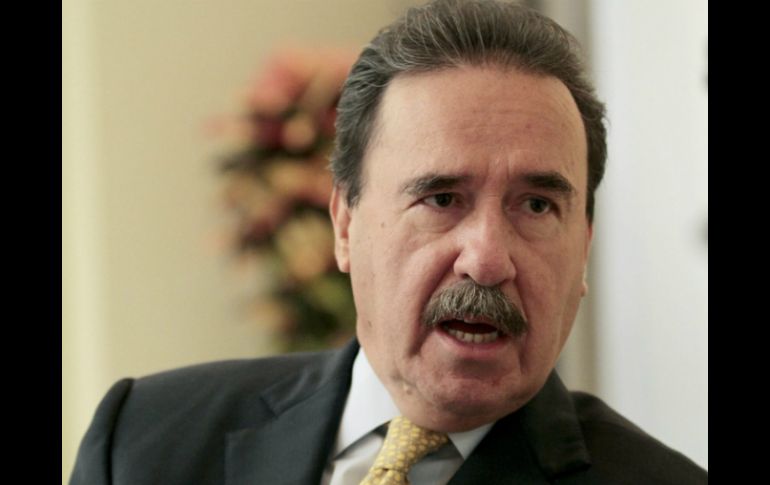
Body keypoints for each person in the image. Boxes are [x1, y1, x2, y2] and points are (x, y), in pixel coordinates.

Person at [70, 1, 707, 484]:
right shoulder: (144, 439)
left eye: (537, 206)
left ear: (584, 248)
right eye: (442, 199)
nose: (487, 259)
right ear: (345, 224)